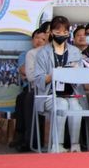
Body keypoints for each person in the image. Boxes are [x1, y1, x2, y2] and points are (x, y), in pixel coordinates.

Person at [34, 15, 84, 153]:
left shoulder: (75, 51)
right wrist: (54, 75)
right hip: (49, 94)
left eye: (65, 32)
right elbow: (38, 79)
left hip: (71, 93)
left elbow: (81, 76)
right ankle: (57, 145)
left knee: (76, 108)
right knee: (61, 104)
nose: (61, 35)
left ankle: (75, 145)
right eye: (57, 32)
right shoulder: (43, 53)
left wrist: (73, 72)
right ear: (51, 33)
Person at [10, 27, 48, 152]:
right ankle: (22, 137)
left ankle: (31, 140)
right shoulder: (26, 54)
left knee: (28, 99)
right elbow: (24, 71)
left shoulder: (48, 53)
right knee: (22, 98)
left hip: (45, 88)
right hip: (30, 87)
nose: (39, 41)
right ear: (32, 40)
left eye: (43, 39)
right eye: (36, 38)